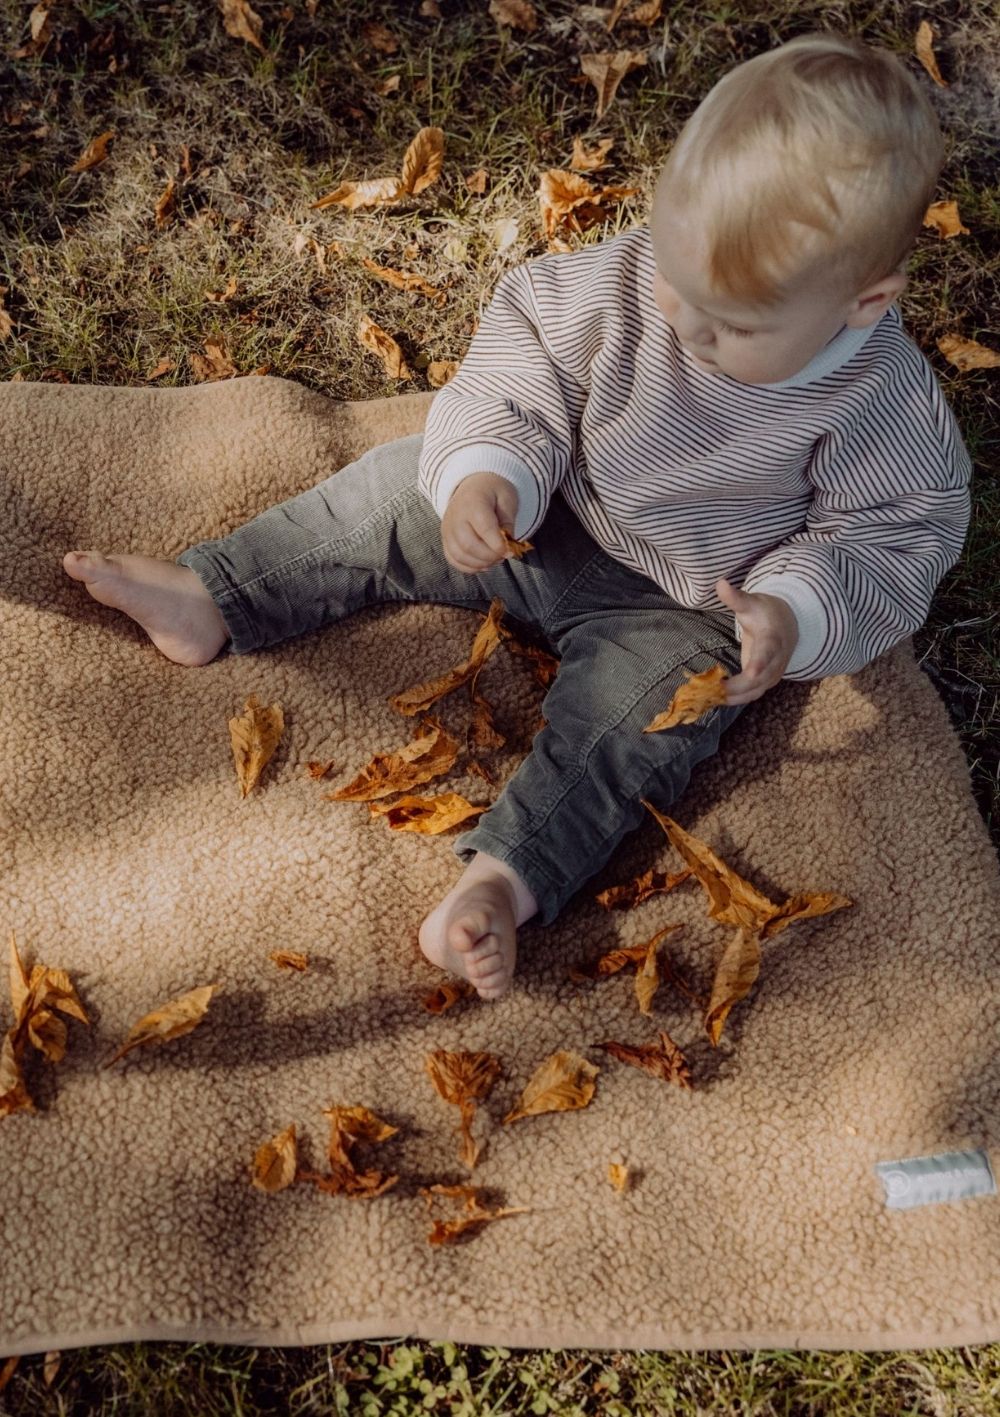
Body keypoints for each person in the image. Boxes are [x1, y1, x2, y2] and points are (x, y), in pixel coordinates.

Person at [62, 32, 972, 1002]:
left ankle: (503, 878)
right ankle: (219, 592)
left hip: (685, 607)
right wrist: (488, 474)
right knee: (388, 494)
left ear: (864, 303)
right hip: (548, 510)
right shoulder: (626, 285)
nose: (685, 325)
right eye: (674, 281)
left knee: (630, 734)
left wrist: (790, 612)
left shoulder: (881, 405)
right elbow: (522, 355)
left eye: (734, 326)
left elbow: (890, 535)